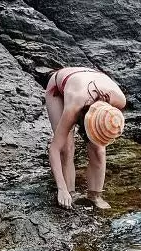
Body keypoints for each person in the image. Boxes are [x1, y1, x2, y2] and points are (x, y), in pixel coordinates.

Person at [44, 65, 127, 210]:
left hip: (87, 79)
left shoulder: (120, 100)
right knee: (66, 148)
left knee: (99, 150)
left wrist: (99, 135)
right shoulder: (74, 107)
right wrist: (61, 189)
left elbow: (102, 137)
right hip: (59, 86)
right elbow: (54, 149)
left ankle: (95, 195)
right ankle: (70, 192)